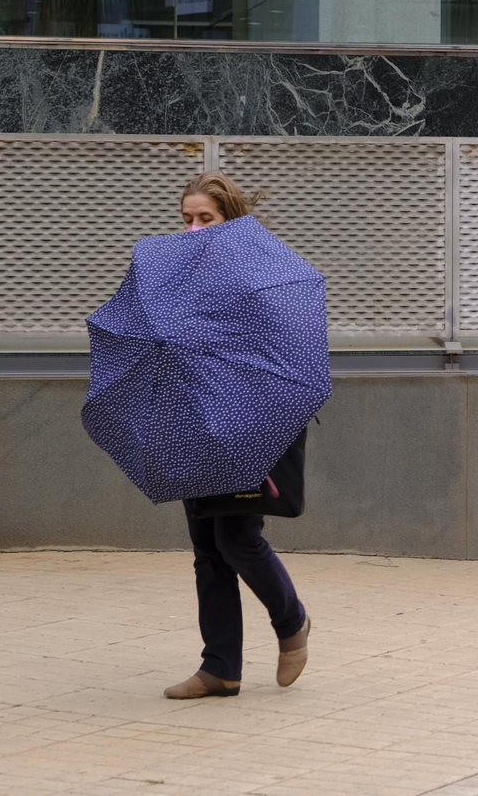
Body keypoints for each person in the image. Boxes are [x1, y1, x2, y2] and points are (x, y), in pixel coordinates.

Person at [165, 171, 311, 700]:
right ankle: (221, 668)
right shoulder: (174, 281)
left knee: (236, 538)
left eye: (206, 218)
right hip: (194, 418)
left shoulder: (259, 275)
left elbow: (277, 350)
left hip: (249, 421)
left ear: (230, 220)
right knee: (207, 546)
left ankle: (292, 623)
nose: (194, 228)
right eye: (186, 219)